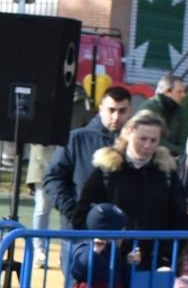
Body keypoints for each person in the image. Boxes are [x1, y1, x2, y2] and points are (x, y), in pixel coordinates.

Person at [40, 84, 134, 230]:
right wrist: (74, 212)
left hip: (120, 233)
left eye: (122, 111)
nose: (116, 116)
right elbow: (52, 177)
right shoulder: (77, 139)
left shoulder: (135, 144)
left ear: (130, 112)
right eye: (111, 110)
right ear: (101, 108)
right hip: (78, 232)